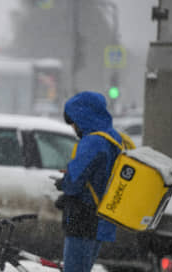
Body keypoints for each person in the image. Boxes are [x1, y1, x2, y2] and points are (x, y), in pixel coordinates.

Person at [55, 91, 123, 272]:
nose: (73, 128)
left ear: (82, 117)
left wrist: (63, 182)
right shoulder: (112, 137)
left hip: (83, 218)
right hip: (100, 216)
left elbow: (74, 182)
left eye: (73, 122)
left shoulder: (93, 142)